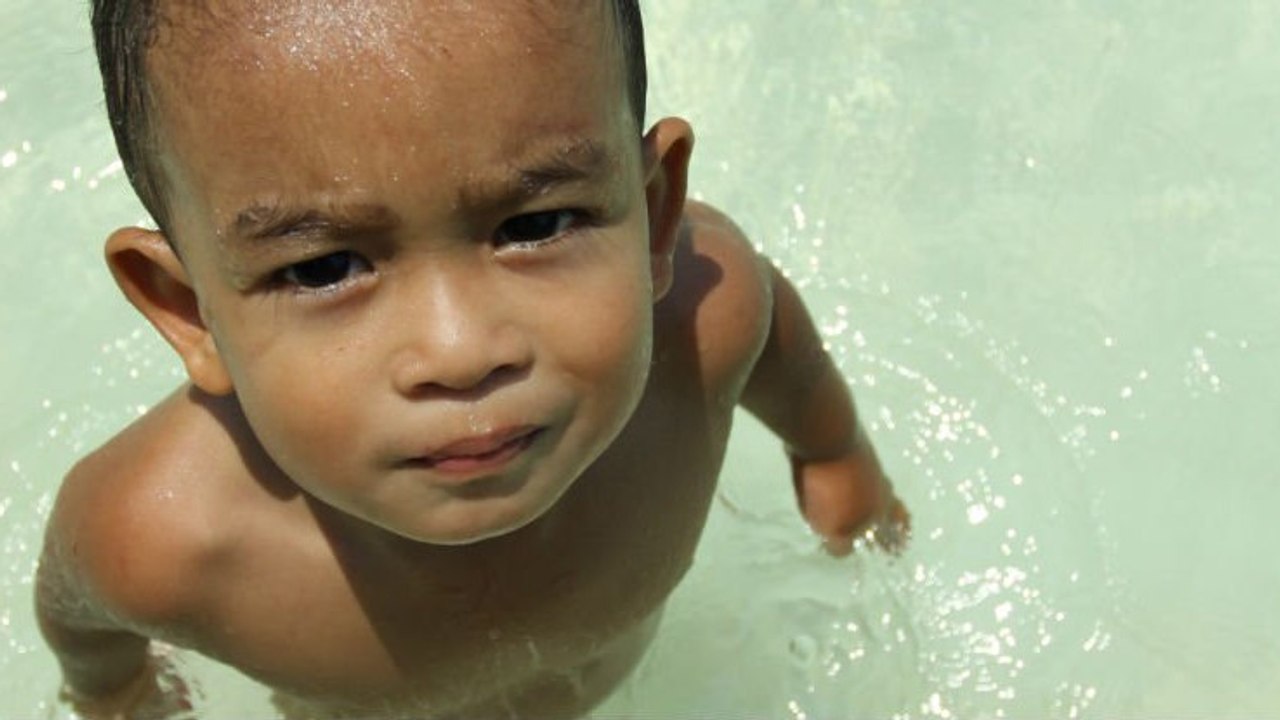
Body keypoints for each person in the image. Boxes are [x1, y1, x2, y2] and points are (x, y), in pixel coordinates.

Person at [35, 1, 909, 717]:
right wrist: (113, 693)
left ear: (654, 217)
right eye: (323, 268)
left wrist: (834, 456)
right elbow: (79, 619)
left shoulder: (707, 326)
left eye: (534, 225)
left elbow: (784, 353)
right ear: (189, 311)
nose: (458, 352)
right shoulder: (161, 537)